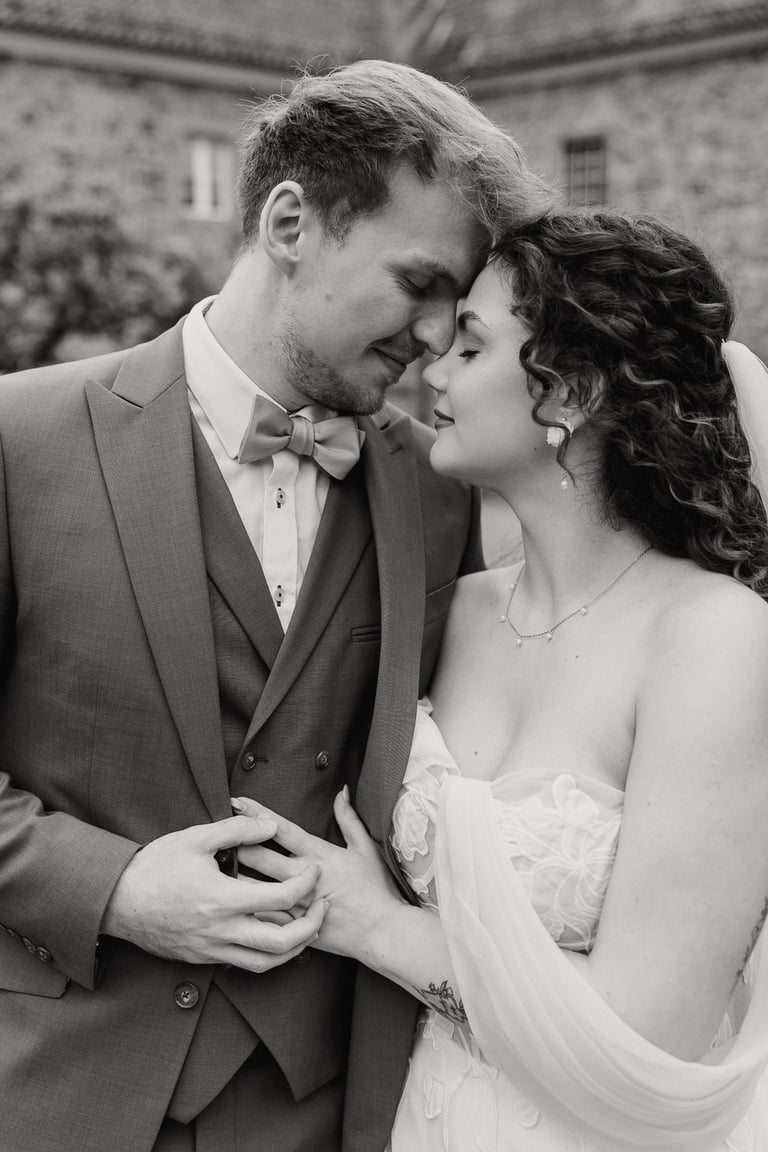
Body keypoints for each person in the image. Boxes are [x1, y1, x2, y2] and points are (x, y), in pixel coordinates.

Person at [0, 61, 553, 1152]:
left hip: (334, 1104)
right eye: (419, 282)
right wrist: (112, 888)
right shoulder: (21, 441)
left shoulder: (443, 490)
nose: (436, 335)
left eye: (457, 308)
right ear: (291, 222)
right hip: (59, 1092)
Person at [235, 210, 768, 1150]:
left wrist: (378, 929)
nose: (432, 370)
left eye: (471, 347)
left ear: (574, 391)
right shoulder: (455, 609)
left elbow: (650, 1036)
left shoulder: (714, 638)